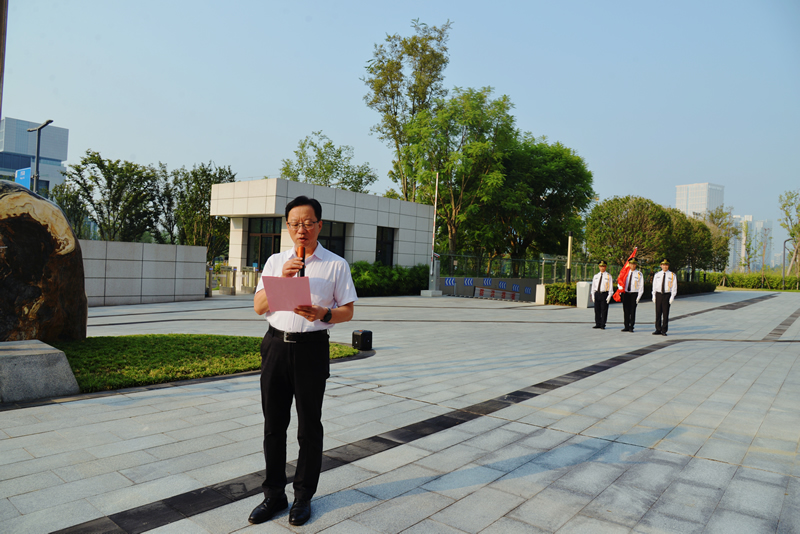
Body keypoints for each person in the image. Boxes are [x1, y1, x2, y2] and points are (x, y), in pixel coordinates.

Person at [249, 196, 358, 527]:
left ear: (319, 225)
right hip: (275, 347)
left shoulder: (336, 265)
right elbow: (258, 307)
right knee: (274, 425)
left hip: (311, 348)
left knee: (309, 426)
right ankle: (273, 495)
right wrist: (282, 280)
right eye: (295, 223)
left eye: (308, 223)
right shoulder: (275, 262)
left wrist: (324, 312)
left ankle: (303, 496)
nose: (302, 229)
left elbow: (348, 310)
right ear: (287, 226)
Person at [652, 258, 677, 336]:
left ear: (668, 266)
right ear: (661, 265)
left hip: (667, 295)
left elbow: (674, 287)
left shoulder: (672, 275)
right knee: (658, 312)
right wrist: (653, 295)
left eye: (666, 265)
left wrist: (672, 297)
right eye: (663, 265)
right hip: (659, 294)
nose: (665, 266)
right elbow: (654, 286)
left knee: (665, 313)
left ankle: (664, 330)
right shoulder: (657, 275)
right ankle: (658, 329)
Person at [619, 258, 644, 332]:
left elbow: (641, 286)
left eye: (634, 264)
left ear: (636, 264)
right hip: (626, 293)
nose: (633, 265)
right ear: (629, 264)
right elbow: (620, 281)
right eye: (631, 264)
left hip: (634, 294)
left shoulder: (639, 274)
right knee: (626, 310)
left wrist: (639, 296)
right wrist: (620, 289)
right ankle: (626, 326)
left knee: (632, 310)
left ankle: (631, 326)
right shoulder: (625, 272)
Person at [591, 260, 612, 329]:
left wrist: (609, 295)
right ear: (599, 267)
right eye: (600, 266)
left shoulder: (608, 276)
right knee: (597, 310)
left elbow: (610, 287)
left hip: (604, 294)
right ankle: (598, 323)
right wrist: (593, 295)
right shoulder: (596, 276)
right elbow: (593, 286)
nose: (602, 268)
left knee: (604, 310)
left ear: (605, 267)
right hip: (597, 293)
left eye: (603, 266)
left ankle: (603, 324)